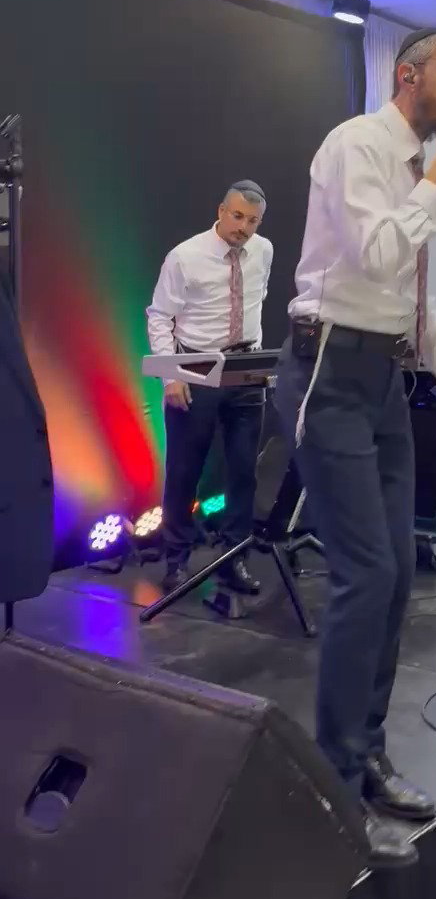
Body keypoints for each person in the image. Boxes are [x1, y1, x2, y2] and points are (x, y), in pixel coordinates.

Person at [273, 29, 436, 869]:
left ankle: (365, 755)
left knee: (398, 572)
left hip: (384, 377)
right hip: (328, 370)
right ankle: (332, 791)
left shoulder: (411, 170)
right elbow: (373, 256)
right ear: (408, 76)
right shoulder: (357, 146)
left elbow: (406, 296)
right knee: (366, 574)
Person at [147, 181, 273, 595]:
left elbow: (256, 301)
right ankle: (176, 560)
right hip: (196, 367)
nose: (243, 227)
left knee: (244, 472)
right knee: (185, 470)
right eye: (237, 216)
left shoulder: (263, 251)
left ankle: (234, 559)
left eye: (252, 220)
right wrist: (171, 376)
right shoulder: (185, 256)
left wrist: (258, 361)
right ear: (221, 211)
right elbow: (159, 316)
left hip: (246, 369)